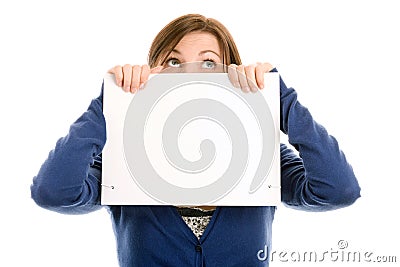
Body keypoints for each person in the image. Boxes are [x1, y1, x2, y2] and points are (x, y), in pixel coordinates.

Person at [30, 14, 361, 266]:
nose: (189, 73)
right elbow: (54, 192)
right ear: (154, 71)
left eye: (208, 62)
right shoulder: (122, 157)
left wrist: (282, 102)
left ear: (230, 72)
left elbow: (336, 191)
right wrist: (109, 106)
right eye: (173, 61)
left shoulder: (263, 154)